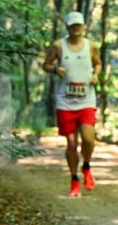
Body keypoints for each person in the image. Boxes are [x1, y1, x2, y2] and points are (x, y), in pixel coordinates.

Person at [43, 11, 101, 197]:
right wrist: (55, 69)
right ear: (67, 27)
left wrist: (95, 75)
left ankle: (86, 166)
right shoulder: (59, 45)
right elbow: (46, 64)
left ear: (84, 26)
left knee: (89, 138)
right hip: (65, 101)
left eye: (79, 25)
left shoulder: (91, 46)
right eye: (73, 26)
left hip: (86, 100)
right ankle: (74, 179)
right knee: (71, 143)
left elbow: (98, 64)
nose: (76, 29)